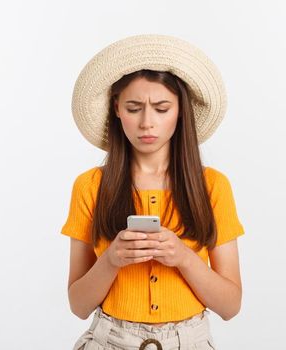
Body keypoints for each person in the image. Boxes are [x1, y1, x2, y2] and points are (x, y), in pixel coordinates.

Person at [62, 34, 244, 350]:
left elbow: (230, 306)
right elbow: (78, 305)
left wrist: (184, 258)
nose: (147, 123)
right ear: (116, 109)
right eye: (134, 108)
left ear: (181, 112)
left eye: (161, 108)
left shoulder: (213, 186)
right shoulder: (90, 187)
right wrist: (111, 260)